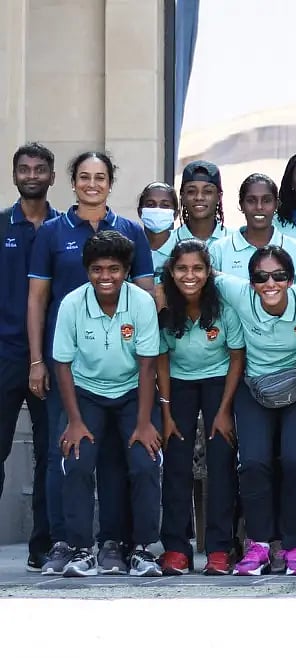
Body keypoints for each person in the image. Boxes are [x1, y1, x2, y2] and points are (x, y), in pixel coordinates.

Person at [28, 150, 156, 576]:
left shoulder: (130, 233)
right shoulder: (52, 233)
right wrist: (36, 361)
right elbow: (38, 299)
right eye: (84, 176)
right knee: (65, 453)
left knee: (128, 462)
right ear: (73, 181)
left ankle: (119, 546)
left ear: (110, 182)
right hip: (75, 371)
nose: (92, 184)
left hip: (125, 377)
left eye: (100, 177)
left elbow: (145, 329)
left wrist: (145, 416)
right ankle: (66, 543)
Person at [213, 246, 296, 575]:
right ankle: (260, 544)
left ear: (291, 279)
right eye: (261, 277)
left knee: (295, 459)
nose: (270, 283)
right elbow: (205, 272)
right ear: (250, 282)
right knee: (252, 461)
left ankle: (294, 546)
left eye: (279, 276)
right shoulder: (239, 295)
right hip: (255, 388)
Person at [52, 231, 161, 576]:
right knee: (78, 461)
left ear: (127, 270)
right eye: (97, 269)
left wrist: (144, 423)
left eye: (114, 269)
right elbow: (63, 365)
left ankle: (143, 549)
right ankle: (80, 549)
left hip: (132, 392)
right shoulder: (72, 304)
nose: (105, 277)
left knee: (144, 463)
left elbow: (147, 366)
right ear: (87, 271)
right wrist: (74, 420)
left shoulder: (141, 303)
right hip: (86, 393)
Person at [155, 240, 244, 575]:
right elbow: (161, 360)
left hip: (220, 381)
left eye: (197, 268)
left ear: (208, 272)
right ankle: (176, 548)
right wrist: (165, 412)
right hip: (178, 384)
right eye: (181, 268)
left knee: (221, 460)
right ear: (171, 272)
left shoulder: (223, 307)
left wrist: (223, 411)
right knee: (176, 462)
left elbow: (237, 358)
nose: (189, 275)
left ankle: (220, 548)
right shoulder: (164, 307)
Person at [1, 142, 56, 571]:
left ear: (52, 177)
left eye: (40, 168)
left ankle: (43, 546)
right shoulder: (2, 226)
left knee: (49, 454)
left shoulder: (64, 228)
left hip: (53, 361)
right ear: (15, 174)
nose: (32, 174)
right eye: (25, 168)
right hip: (4, 356)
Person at [209, 174, 296, 283]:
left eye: (266, 200)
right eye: (251, 201)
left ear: (276, 204)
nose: (259, 207)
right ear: (241, 205)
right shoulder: (219, 249)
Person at [137, 182, 178, 281]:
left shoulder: (182, 247)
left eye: (165, 205)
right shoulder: (131, 245)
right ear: (140, 212)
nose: (157, 210)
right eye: (150, 205)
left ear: (175, 214)